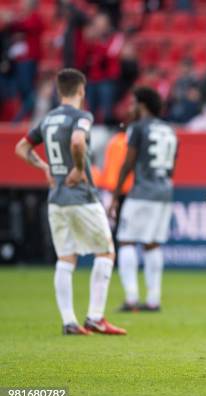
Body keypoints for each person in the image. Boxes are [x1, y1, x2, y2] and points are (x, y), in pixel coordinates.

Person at [14, 68, 126, 335]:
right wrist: (78, 167)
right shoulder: (82, 116)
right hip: (81, 196)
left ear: (58, 90)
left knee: (65, 258)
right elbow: (77, 140)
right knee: (106, 251)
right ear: (81, 91)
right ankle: (95, 317)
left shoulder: (48, 119)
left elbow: (21, 148)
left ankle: (68, 321)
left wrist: (44, 167)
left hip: (56, 199)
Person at [111, 87, 178, 312]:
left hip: (142, 192)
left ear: (142, 105)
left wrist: (115, 194)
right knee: (152, 244)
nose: (130, 108)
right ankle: (153, 299)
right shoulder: (170, 130)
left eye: (133, 103)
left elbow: (128, 163)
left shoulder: (138, 128)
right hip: (165, 191)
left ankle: (131, 298)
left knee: (127, 240)